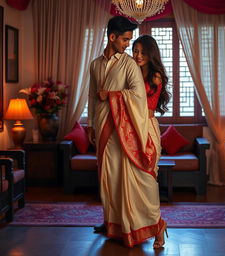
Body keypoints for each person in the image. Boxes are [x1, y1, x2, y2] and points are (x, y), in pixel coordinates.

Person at [88, 16, 167, 248]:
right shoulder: (94, 65)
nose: (131, 50)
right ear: (112, 37)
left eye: (136, 46)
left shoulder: (129, 64)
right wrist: (91, 124)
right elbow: (92, 96)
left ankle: (155, 224)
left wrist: (111, 95)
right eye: (126, 41)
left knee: (141, 180)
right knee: (112, 179)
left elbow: (138, 96)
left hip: (133, 128)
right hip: (105, 128)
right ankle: (118, 226)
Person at [132, 34, 171, 248]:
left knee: (148, 180)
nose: (137, 55)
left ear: (151, 54)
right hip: (129, 129)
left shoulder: (155, 76)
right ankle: (139, 227)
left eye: (142, 52)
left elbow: (145, 106)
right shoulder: (131, 72)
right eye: (135, 51)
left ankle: (158, 226)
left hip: (147, 129)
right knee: (134, 182)